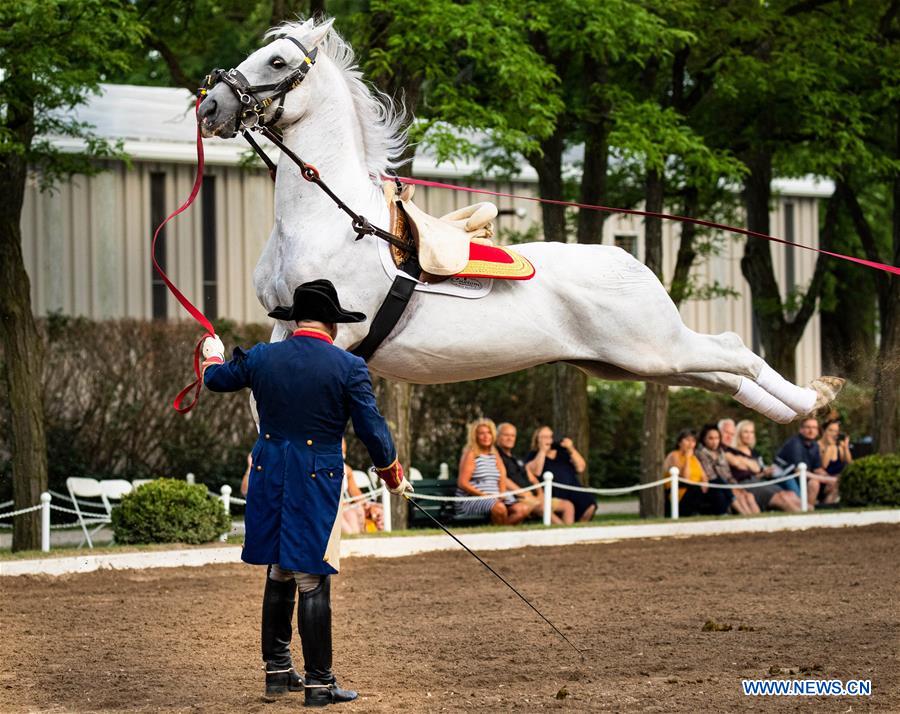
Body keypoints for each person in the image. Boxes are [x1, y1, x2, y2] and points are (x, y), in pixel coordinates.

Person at [201, 279, 412, 706]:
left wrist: (211, 355)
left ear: (296, 320)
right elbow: (372, 428)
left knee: (280, 568)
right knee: (312, 574)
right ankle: (319, 682)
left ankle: (277, 671)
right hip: (315, 476)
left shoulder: (262, 357)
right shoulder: (348, 367)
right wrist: (391, 473)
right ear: (332, 325)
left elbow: (217, 381)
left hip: (269, 470)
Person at [496, 422, 574, 524]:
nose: (510, 438)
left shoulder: (516, 458)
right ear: (497, 437)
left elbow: (532, 477)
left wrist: (541, 493)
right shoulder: (496, 456)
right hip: (520, 499)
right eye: (506, 435)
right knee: (543, 508)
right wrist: (523, 493)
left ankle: (566, 532)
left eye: (513, 435)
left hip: (533, 496)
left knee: (568, 505)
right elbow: (503, 479)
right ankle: (565, 534)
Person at [456, 419, 531, 525]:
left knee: (523, 509)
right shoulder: (471, 454)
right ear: (475, 436)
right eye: (481, 433)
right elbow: (462, 483)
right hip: (473, 499)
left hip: (495, 497)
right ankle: (502, 535)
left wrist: (502, 493)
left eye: (489, 433)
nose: (486, 436)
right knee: (499, 508)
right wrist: (484, 495)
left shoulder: (495, 455)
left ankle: (502, 532)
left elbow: (502, 477)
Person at [726, 420, 801, 512]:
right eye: (745, 432)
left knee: (790, 495)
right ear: (739, 434)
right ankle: (803, 522)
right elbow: (747, 467)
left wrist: (764, 472)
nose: (749, 435)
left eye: (751, 432)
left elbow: (756, 471)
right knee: (782, 498)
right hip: (746, 484)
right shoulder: (730, 451)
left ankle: (811, 515)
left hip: (761, 481)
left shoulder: (754, 453)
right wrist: (753, 466)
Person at [525, 426, 596, 522]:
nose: (548, 439)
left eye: (550, 436)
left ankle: (579, 527)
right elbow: (536, 471)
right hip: (552, 493)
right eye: (544, 437)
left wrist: (571, 449)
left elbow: (581, 467)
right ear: (537, 440)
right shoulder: (534, 455)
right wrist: (542, 451)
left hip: (572, 490)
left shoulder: (563, 452)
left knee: (590, 504)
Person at [662, 429, 730, 516]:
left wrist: (704, 483)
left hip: (697, 490)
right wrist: (687, 458)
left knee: (716, 483)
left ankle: (722, 512)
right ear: (679, 442)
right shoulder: (674, 455)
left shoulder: (694, 458)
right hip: (681, 492)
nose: (690, 444)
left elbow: (704, 476)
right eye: (687, 440)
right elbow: (685, 478)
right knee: (697, 489)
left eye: (693, 441)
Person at [696, 424, 759, 515]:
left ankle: (758, 518)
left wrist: (735, 485)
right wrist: (730, 487)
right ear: (704, 439)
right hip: (716, 486)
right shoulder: (701, 453)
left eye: (717, 438)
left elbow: (728, 474)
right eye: (711, 438)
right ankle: (745, 515)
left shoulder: (721, 452)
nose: (715, 442)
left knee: (748, 495)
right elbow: (711, 476)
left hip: (728, 484)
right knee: (737, 495)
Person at [775, 418, 830, 508]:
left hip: (802, 478)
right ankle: (806, 510)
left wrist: (832, 479)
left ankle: (814, 511)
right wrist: (826, 480)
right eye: (808, 427)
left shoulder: (815, 445)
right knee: (800, 502)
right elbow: (798, 471)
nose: (811, 431)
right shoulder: (795, 443)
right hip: (786, 477)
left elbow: (817, 469)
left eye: (814, 428)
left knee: (815, 483)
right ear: (801, 429)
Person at [340, 438, 384, 535]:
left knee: (379, 510)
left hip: (345, 508)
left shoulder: (347, 470)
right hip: (333, 508)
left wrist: (369, 506)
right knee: (351, 515)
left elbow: (357, 495)